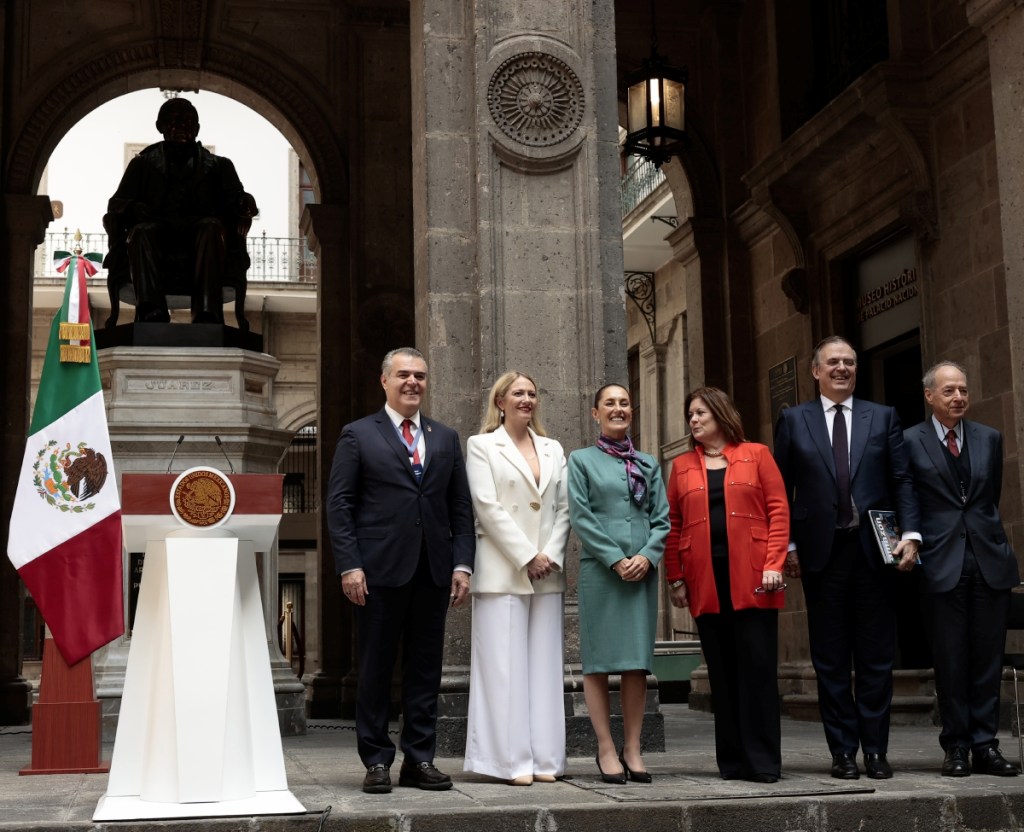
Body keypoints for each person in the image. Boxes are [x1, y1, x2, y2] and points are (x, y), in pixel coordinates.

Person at [326, 347, 475, 794]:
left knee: (425, 669)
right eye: (404, 375)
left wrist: (462, 564)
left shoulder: (445, 438)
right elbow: (340, 504)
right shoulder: (358, 435)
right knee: (374, 668)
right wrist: (350, 564)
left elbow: (460, 507)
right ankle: (376, 760)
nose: (413, 382)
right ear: (384, 381)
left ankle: (420, 758)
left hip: (433, 569)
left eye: (421, 376)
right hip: (377, 572)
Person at [773, 336, 920, 781]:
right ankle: (842, 751)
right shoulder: (793, 419)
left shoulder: (884, 417)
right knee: (831, 659)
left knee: (876, 658)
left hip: (875, 552)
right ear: (815, 371)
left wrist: (912, 534)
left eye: (850, 363)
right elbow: (780, 489)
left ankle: (875, 750)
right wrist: (789, 547)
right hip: (821, 555)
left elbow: (902, 479)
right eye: (833, 362)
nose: (842, 368)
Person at [665, 387, 790, 783]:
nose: (694, 420)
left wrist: (774, 563)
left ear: (721, 413)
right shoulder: (682, 465)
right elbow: (673, 525)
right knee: (721, 672)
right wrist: (675, 577)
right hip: (705, 580)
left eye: (701, 412)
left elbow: (778, 510)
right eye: (690, 415)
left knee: (756, 670)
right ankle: (733, 762)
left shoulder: (757, 454)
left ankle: (764, 760)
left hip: (754, 577)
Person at [904, 361, 1020, 777]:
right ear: (929, 396)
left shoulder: (989, 438)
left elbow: (989, 499)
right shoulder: (909, 441)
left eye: (963, 391)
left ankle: (986, 745)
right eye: (949, 391)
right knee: (951, 660)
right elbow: (908, 498)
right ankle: (956, 746)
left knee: (987, 660)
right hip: (940, 563)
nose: (958, 398)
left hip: (989, 563)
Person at [463, 371, 570, 785]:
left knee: (544, 668)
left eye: (532, 393)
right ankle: (508, 762)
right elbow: (486, 507)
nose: (526, 399)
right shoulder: (481, 446)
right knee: (502, 668)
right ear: (500, 401)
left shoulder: (554, 448)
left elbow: (564, 508)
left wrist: (550, 555)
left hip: (547, 572)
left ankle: (545, 760)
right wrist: (527, 555)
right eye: (518, 393)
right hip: (503, 569)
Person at [568, 383, 669, 784]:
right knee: (597, 664)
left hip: (642, 572)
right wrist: (616, 559)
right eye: (609, 403)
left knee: (635, 664)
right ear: (596, 413)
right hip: (602, 572)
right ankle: (605, 748)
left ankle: (633, 747)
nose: (618, 408)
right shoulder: (581, 460)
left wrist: (646, 555)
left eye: (624, 403)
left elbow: (662, 517)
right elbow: (581, 516)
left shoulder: (648, 463)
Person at [103, 97, 258, 325]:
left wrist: (245, 204)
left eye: (187, 121)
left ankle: (206, 313)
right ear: (161, 127)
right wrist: (133, 207)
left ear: (196, 128)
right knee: (141, 232)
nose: (181, 126)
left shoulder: (219, 165)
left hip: (200, 228)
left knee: (211, 227)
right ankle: (152, 312)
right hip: (158, 227)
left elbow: (236, 197)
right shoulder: (142, 164)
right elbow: (115, 204)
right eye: (173, 121)